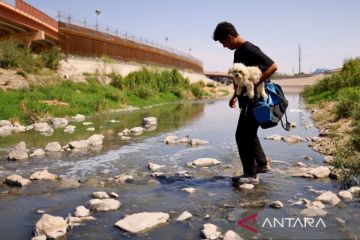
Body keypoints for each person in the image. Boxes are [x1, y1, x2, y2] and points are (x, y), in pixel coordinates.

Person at [213, 21, 278, 184]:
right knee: (249, 134)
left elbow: (273, 66)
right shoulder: (239, 51)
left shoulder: (250, 49)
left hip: (254, 100)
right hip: (247, 100)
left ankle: (250, 175)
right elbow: (238, 77)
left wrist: (256, 83)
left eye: (223, 42)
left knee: (242, 136)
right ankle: (262, 165)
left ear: (230, 37)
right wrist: (235, 95)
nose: (223, 46)